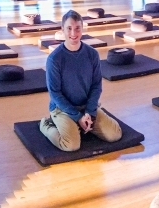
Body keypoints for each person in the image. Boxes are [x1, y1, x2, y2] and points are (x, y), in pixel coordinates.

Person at [40, 10, 121, 152]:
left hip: (86, 107)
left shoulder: (92, 54)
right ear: (62, 29)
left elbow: (96, 86)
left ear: (82, 28)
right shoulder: (54, 59)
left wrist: (90, 112)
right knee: (71, 145)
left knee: (115, 134)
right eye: (69, 28)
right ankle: (46, 125)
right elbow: (55, 94)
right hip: (62, 109)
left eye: (77, 28)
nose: (73, 33)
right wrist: (77, 117)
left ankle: (83, 124)